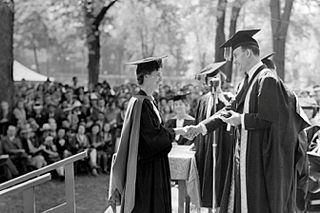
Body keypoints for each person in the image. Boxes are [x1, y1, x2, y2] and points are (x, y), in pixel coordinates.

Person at [182, 29, 310, 212]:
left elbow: (269, 119)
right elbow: (228, 109)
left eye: (236, 55)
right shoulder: (247, 81)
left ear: (248, 53)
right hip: (246, 155)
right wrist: (201, 127)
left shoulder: (267, 80)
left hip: (261, 158)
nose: (234, 61)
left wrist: (241, 119)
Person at [108, 56, 182, 213]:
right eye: (157, 74)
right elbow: (152, 140)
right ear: (146, 76)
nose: (160, 78)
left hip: (150, 166)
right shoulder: (141, 103)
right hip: (147, 171)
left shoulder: (146, 101)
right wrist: (174, 132)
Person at [192, 61, 234, 211]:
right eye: (211, 79)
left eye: (217, 78)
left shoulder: (228, 98)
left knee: (220, 175)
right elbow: (199, 121)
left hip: (223, 144)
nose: (214, 82)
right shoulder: (203, 100)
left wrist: (221, 98)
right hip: (205, 144)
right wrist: (196, 143)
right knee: (207, 175)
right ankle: (209, 207)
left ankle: (219, 208)